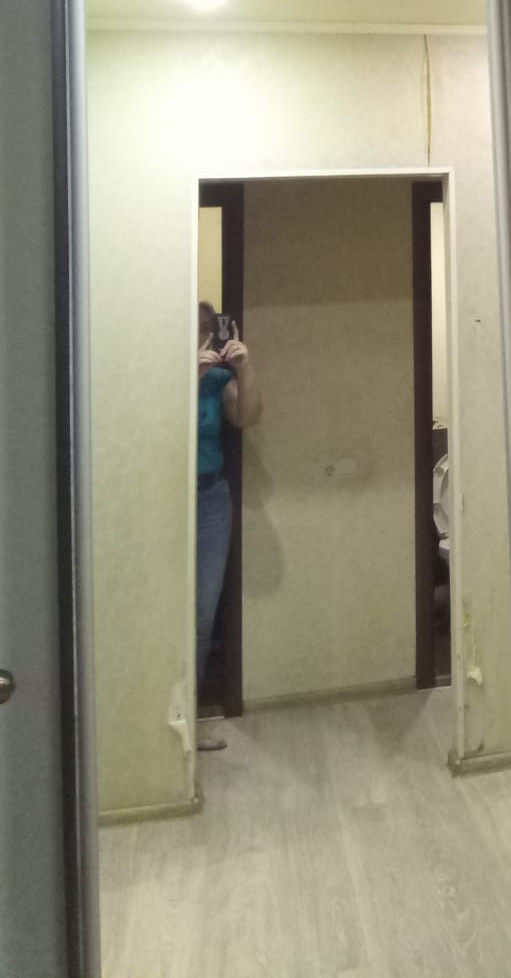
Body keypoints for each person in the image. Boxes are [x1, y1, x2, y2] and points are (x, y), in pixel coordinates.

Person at [196, 302, 262, 751]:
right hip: (164, 500)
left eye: (208, 330)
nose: (204, 338)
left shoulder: (219, 378)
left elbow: (247, 417)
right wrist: (189, 377)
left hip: (212, 498)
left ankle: (188, 716)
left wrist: (244, 368)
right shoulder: (155, 372)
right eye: (196, 330)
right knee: (160, 608)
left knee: (203, 613)